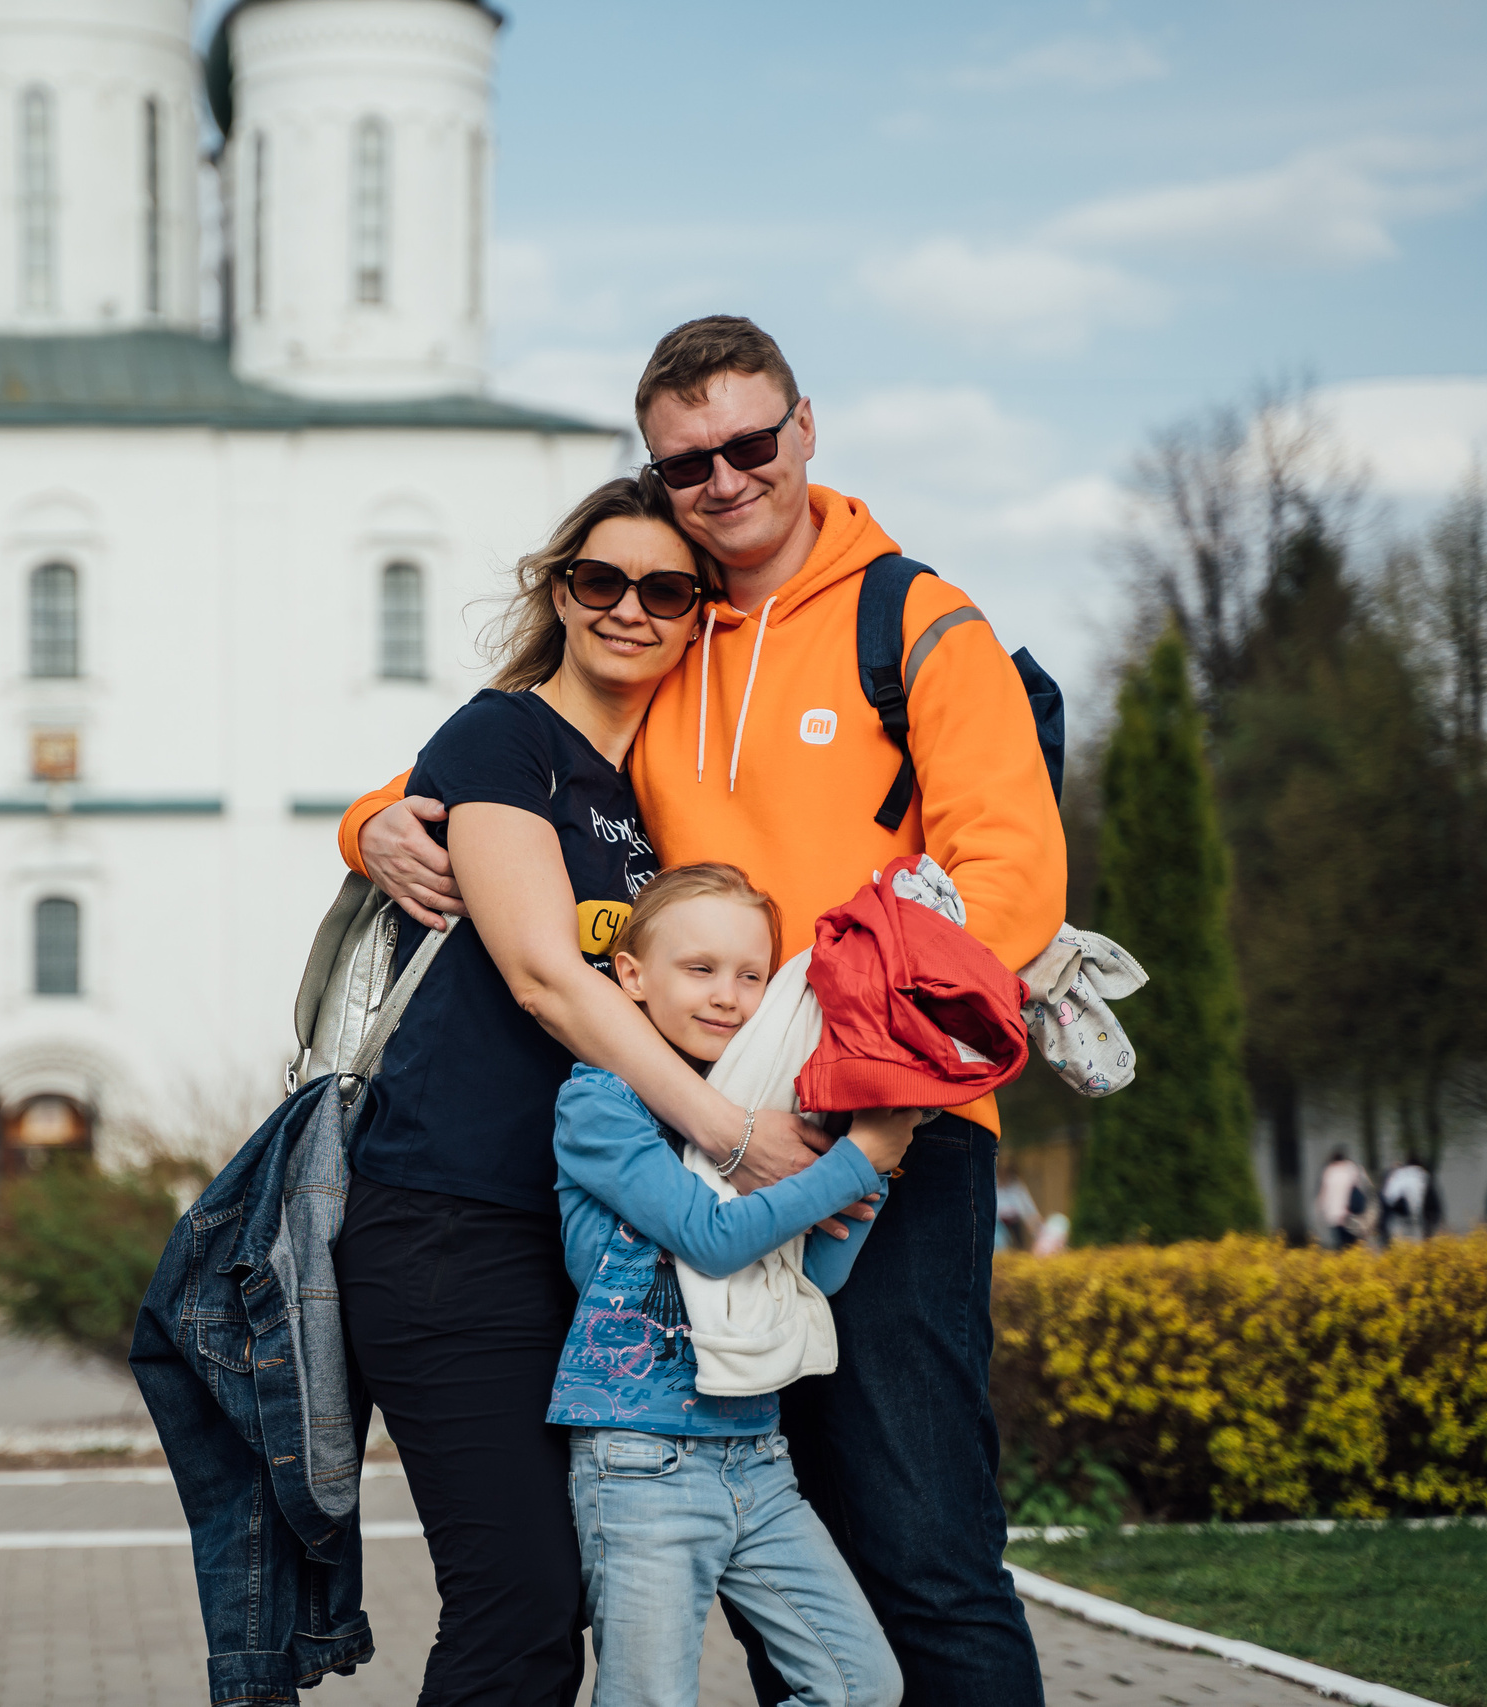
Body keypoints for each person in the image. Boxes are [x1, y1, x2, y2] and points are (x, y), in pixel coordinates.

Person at [343, 316, 1065, 1702]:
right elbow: (499, 765)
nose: (725, 478)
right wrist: (372, 821)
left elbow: (1011, 881)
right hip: (702, 1137)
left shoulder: (912, 620)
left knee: (920, 1542)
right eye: (687, 462)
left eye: (749, 442)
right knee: (773, 1552)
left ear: (805, 427)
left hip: (882, 1140)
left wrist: (867, 1096)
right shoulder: (672, 638)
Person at [552, 864, 910, 1707]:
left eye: (752, 975)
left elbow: (811, 1276)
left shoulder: (763, 1117)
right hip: (641, 1461)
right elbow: (711, 1243)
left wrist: (869, 1182)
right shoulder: (601, 1103)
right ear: (631, 976)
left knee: (863, 1684)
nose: (729, 996)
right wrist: (859, 1160)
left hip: (758, 1457)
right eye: (700, 968)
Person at [1316, 1148, 1370, 1251]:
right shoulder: (1351, 1168)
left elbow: (1323, 1194)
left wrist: (1320, 1209)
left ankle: (1345, 1262)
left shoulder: (1328, 1171)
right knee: (1355, 1243)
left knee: (1341, 1244)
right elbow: (1361, 1188)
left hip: (1333, 1215)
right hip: (1350, 1213)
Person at [1381, 1155, 1437, 1243]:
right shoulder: (1423, 1174)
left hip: (1395, 1209)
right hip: (1415, 1212)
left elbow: (1386, 1196)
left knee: (1397, 1239)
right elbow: (1433, 1203)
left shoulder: (1397, 1173)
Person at [993, 1156, 1042, 1252]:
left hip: (1015, 1220)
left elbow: (1027, 1204)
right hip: (1000, 1222)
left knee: (1019, 1244)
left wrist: (1034, 1217)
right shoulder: (995, 1187)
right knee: (1003, 1244)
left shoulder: (1016, 1186)